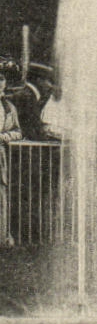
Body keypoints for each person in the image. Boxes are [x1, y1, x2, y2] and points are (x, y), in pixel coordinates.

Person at [0, 61, 23, 246]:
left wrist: (5, 136)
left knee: (1, 195)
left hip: (0, 156)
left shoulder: (8, 107)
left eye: (1, 79)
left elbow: (18, 131)